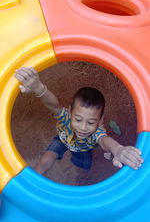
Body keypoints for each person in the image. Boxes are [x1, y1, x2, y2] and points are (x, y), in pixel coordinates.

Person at [15, 67, 144, 175]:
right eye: (78, 119)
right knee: (45, 160)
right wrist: (38, 87)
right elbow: (53, 105)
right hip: (62, 139)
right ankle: (35, 184)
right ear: (70, 112)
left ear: (100, 121)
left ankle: (80, 172)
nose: (83, 127)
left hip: (83, 149)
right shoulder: (66, 117)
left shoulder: (96, 133)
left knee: (82, 168)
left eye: (91, 122)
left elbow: (104, 141)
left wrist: (117, 149)